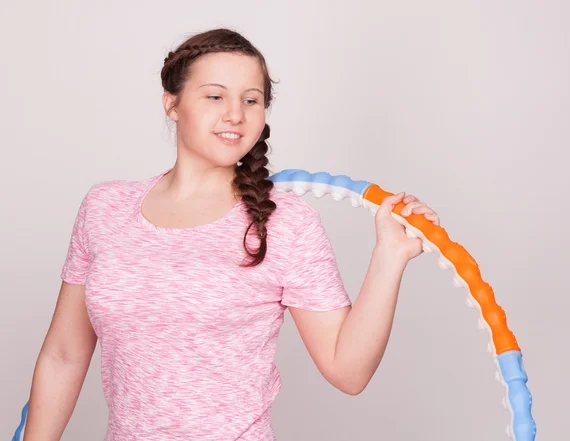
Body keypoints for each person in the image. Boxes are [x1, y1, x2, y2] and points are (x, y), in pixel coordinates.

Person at [21, 28, 440, 441]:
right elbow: (64, 355)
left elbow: (348, 372)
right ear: (172, 103)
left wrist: (390, 255)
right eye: (215, 95)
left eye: (251, 100)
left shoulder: (287, 222)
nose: (235, 114)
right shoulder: (104, 209)